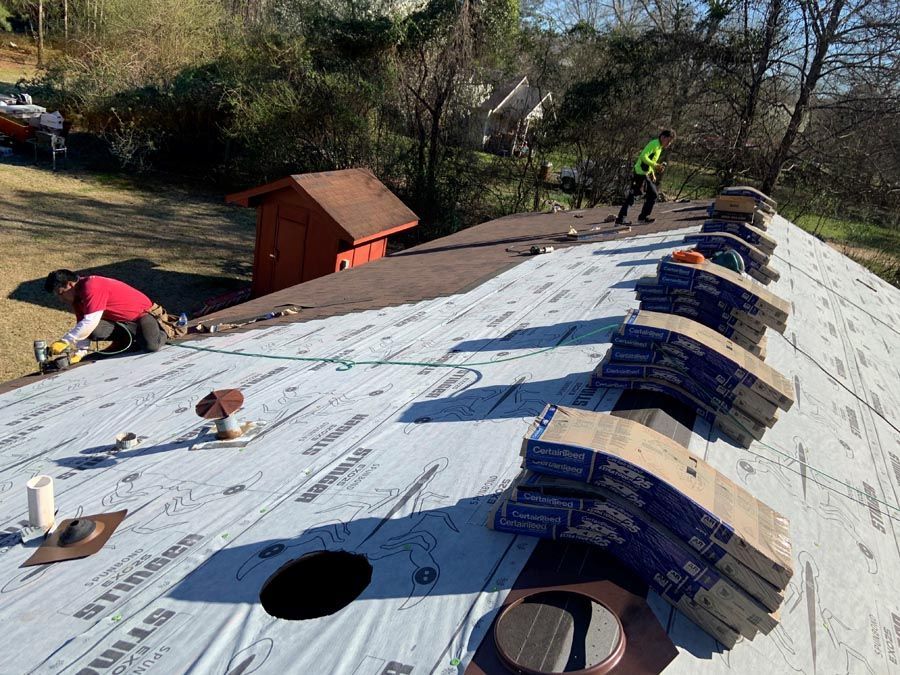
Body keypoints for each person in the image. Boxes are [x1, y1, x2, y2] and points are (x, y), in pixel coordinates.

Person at [44, 270, 169, 360]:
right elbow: (84, 327)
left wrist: (65, 341)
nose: (61, 299)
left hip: (144, 316)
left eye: (61, 293)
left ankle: (164, 332)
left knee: (151, 346)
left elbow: (91, 321)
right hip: (124, 323)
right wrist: (80, 354)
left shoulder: (91, 286)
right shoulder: (77, 299)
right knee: (94, 331)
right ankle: (127, 340)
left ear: (70, 284)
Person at [616, 129, 676, 225]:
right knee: (634, 196)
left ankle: (641, 218)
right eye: (668, 141)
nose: (669, 144)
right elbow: (644, 157)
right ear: (662, 137)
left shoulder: (659, 147)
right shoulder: (654, 144)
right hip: (640, 173)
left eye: (670, 142)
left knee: (651, 194)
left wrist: (652, 173)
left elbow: (650, 161)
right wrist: (656, 165)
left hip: (645, 173)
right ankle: (622, 219)